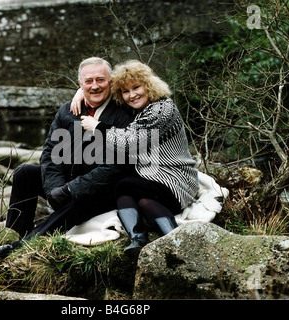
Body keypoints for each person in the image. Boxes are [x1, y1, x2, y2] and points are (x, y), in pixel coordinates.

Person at [0, 57, 134, 257]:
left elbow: (115, 167)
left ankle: (22, 247)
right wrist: (54, 189)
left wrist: (70, 189)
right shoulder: (68, 110)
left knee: (78, 198)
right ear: (80, 84)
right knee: (25, 173)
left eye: (100, 80)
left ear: (111, 81)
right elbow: (51, 154)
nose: (95, 86)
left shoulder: (125, 113)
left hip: (101, 191)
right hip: (67, 184)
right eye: (88, 81)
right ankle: (14, 234)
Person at [75, 60, 199, 258]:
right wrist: (82, 91)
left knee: (123, 185)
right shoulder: (136, 108)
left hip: (175, 179)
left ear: (148, 85)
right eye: (125, 91)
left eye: (136, 87)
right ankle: (143, 240)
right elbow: (100, 91)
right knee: (143, 201)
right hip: (153, 180)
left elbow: (132, 142)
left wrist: (98, 127)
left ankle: (156, 240)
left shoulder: (162, 109)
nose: (132, 95)